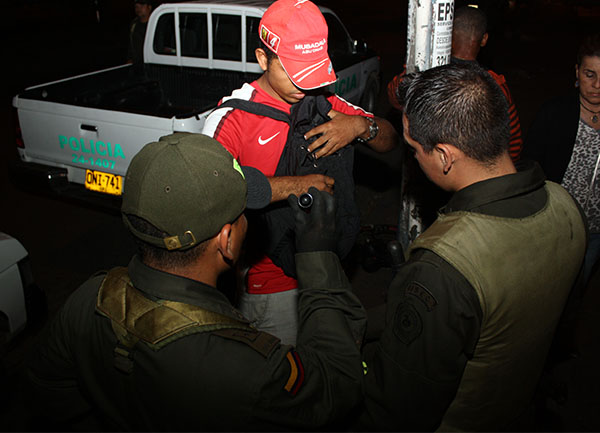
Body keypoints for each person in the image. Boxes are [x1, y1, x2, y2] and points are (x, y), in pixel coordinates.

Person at [25, 133, 367, 431]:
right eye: (243, 212)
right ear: (227, 241)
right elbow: (338, 382)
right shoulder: (240, 366)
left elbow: (49, 396)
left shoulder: (90, 299)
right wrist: (318, 256)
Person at [357, 63, 587, 431]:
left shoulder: (443, 266)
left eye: (414, 150)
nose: (413, 158)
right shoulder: (565, 205)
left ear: (445, 156)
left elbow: (400, 406)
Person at [202, 0, 398, 345]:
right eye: (294, 72)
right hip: (270, 289)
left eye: (312, 71)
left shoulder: (321, 101)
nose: (304, 85)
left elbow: (389, 140)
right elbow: (208, 192)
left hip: (325, 273)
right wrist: (295, 186)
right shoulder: (233, 120)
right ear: (263, 58)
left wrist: (359, 127)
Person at [388, 5, 523, 161]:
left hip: (426, 165)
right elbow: (513, 143)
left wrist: (412, 71)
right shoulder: (496, 86)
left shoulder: (426, 77)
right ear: (484, 39)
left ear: (448, 34)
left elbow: (394, 96)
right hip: (473, 171)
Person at [524, 32, 600, 288]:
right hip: (554, 224)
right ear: (577, 72)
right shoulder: (555, 112)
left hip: (595, 230)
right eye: (590, 74)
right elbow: (530, 166)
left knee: (577, 289)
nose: (597, 84)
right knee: (543, 287)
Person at [127, 0, 153, 74]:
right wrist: (129, 58)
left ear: (149, 7)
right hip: (136, 67)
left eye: (142, 6)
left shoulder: (155, 23)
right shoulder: (134, 24)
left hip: (151, 66)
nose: (139, 8)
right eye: (136, 6)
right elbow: (131, 43)